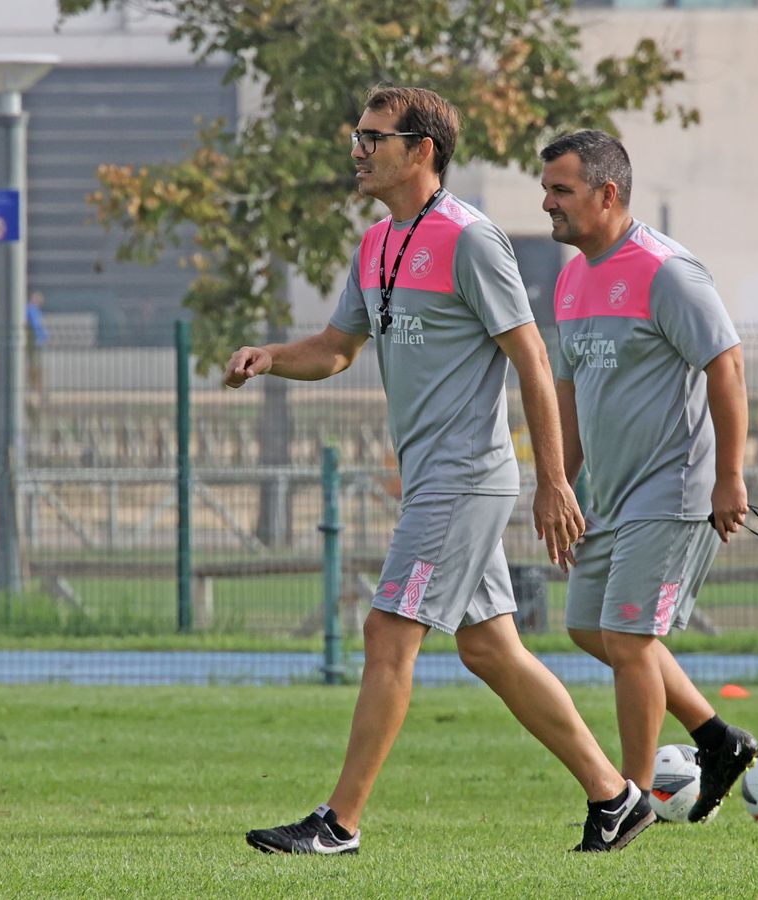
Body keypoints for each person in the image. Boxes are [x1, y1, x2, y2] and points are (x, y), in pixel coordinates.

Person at [235, 88, 651, 855]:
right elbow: (334, 349)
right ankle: (616, 796)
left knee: (387, 629)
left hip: (465, 477)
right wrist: (269, 359)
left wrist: (553, 481)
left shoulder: (469, 239)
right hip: (434, 479)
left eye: (373, 137)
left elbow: (531, 357)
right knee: (489, 648)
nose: (357, 149)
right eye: (356, 135)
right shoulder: (376, 243)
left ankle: (340, 823)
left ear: (421, 149)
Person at [538, 129, 758, 823]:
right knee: (588, 629)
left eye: (561, 190)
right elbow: (569, 395)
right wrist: (561, 485)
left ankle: (626, 801)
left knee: (631, 639)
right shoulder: (571, 278)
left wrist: (730, 476)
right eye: (546, 190)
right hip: (606, 496)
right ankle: (716, 738)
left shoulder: (667, 270)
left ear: (608, 194)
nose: (548, 204)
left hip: (674, 489)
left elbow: (726, 365)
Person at [25, 291, 48, 402]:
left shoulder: (34, 311)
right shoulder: (30, 310)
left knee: (35, 367)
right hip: (34, 343)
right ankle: (39, 391)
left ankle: (38, 390)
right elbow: (35, 326)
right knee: (36, 367)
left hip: (36, 343)